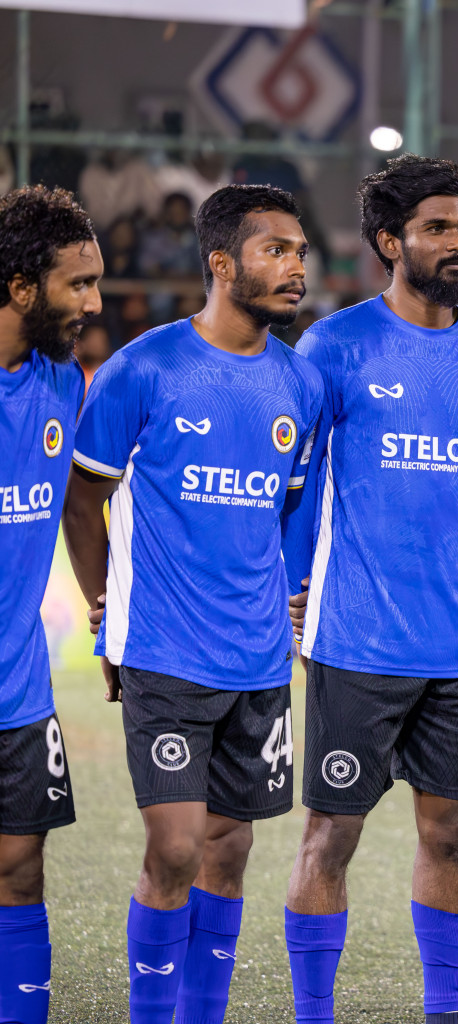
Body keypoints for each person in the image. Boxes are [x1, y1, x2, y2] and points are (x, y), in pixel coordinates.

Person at [61, 185, 323, 1024]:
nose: (295, 268)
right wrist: (105, 612)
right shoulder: (143, 367)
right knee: (174, 850)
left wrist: (282, 597)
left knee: (231, 847)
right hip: (165, 653)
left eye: (300, 252)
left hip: (256, 658)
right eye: (274, 251)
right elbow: (82, 498)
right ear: (221, 263)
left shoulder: (300, 385)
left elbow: (286, 509)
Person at [281, 155, 458, 1024]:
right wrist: (291, 588)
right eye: (437, 228)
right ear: (391, 241)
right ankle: (315, 1012)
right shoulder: (333, 348)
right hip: (357, 645)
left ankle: (444, 1013)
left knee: (453, 836)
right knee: (330, 836)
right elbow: (298, 485)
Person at [0, 184, 101, 1024]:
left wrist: (105, 615)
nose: (94, 302)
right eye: (78, 283)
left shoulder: (62, 383)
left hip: (20, 688)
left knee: (20, 869)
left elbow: (77, 506)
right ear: (22, 287)